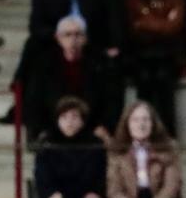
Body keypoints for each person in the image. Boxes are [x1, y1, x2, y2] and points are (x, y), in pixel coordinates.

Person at [16, 15, 124, 143]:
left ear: (85, 38)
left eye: (78, 34)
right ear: (58, 38)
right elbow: (33, 102)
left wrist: (104, 126)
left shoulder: (101, 64)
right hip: (52, 128)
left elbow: (113, 100)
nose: (73, 40)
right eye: (67, 35)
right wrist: (43, 130)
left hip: (92, 128)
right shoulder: (43, 65)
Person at [123, 0, 186, 135]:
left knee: (164, 79)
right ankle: (142, 134)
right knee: (144, 78)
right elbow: (132, 27)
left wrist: (145, 21)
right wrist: (163, 20)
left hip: (169, 53)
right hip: (139, 53)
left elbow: (175, 26)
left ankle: (167, 137)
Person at [31, 96, 106, 198]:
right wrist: (54, 194)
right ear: (57, 120)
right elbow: (42, 177)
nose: (69, 122)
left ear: (82, 121)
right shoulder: (48, 145)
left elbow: (92, 179)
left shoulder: (94, 145)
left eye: (74, 117)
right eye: (64, 117)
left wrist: (64, 195)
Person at [105, 99, 181, 198]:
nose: (141, 125)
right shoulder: (116, 150)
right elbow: (114, 192)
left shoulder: (169, 147)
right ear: (127, 124)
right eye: (135, 120)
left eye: (146, 119)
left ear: (153, 124)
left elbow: (171, 187)